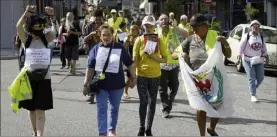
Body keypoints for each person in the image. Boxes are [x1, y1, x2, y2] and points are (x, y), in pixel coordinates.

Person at [172, 13, 232, 136]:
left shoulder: (215, 36)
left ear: (204, 26)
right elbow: (174, 54)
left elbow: (229, 55)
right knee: (200, 107)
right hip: (197, 80)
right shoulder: (189, 39)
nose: (193, 29)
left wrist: (225, 43)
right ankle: (202, 135)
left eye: (195, 26)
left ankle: (211, 128)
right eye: (192, 26)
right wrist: (180, 55)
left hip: (214, 78)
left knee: (218, 105)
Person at [83, 24, 136, 136]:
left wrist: (134, 78)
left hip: (117, 85)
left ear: (113, 35)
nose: (106, 37)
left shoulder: (119, 47)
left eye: (108, 35)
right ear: (100, 36)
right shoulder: (96, 49)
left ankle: (111, 130)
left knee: (114, 108)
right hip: (101, 85)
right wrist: (85, 84)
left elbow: (129, 64)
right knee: (101, 109)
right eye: (104, 35)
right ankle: (102, 132)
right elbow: (90, 67)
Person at [16, 5, 55, 136]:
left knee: (40, 110)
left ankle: (40, 135)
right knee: (31, 109)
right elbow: (18, 27)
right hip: (28, 78)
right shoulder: (26, 40)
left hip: (44, 78)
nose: (37, 35)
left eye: (40, 30)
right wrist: (26, 12)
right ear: (30, 29)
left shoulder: (47, 38)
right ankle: (34, 132)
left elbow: (54, 31)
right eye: (34, 31)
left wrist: (51, 16)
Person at [133, 15, 167, 136]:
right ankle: (141, 126)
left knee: (152, 102)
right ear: (143, 26)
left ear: (154, 26)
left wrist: (154, 57)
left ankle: (149, 129)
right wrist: (131, 75)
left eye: (150, 26)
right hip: (141, 74)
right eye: (146, 25)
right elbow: (135, 59)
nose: (148, 28)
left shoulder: (159, 40)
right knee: (143, 101)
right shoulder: (139, 40)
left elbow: (165, 59)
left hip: (155, 75)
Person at [157, 14, 188, 118]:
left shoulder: (174, 30)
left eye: (166, 19)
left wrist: (174, 26)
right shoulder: (156, 32)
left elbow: (186, 34)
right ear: (159, 21)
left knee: (174, 87)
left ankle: (169, 102)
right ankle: (166, 108)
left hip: (174, 64)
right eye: (161, 19)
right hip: (161, 64)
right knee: (162, 88)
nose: (164, 21)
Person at [236, 20, 268, 102]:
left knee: (261, 77)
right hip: (247, 60)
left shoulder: (261, 37)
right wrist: (239, 58)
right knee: (251, 78)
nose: (256, 27)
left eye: (257, 26)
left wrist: (265, 56)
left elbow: (264, 49)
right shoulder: (247, 36)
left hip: (258, 60)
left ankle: (254, 86)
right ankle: (253, 95)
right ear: (251, 27)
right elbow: (240, 47)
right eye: (254, 25)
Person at [83, 9, 104, 103]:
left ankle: (101, 94)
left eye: (100, 17)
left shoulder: (105, 26)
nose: (98, 19)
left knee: (100, 75)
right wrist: (91, 34)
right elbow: (84, 39)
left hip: (103, 53)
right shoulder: (89, 26)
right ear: (94, 17)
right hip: (92, 52)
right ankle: (91, 95)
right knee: (91, 74)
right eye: (97, 17)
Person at [123, 24, 140, 99]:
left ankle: (134, 83)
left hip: (139, 61)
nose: (131, 31)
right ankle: (125, 92)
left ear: (137, 31)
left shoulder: (139, 38)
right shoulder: (127, 38)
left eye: (133, 30)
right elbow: (124, 48)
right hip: (130, 61)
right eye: (130, 29)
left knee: (139, 78)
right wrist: (127, 40)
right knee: (128, 78)